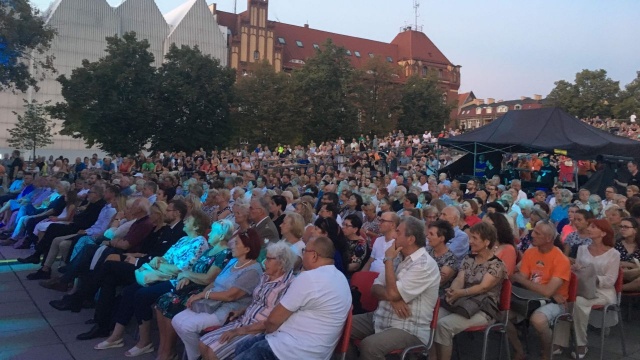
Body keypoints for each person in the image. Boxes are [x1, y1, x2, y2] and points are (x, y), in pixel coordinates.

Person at [93, 210, 212, 356]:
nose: (185, 221)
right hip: (159, 274)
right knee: (130, 290)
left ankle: (144, 341)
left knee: (141, 295)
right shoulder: (184, 239)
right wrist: (159, 262)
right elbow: (165, 257)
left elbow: (182, 268)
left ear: (196, 226)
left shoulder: (200, 243)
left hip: (176, 280)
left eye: (189, 220)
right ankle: (116, 336)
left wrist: (161, 264)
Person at [232, 236, 351, 360]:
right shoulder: (341, 278)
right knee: (242, 346)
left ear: (314, 256)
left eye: (305, 250)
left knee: (248, 348)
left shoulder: (310, 278)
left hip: (289, 351)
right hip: (314, 350)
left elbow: (273, 321)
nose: (302, 254)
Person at [348, 216, 440, 359]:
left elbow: (392, 293)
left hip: (408, 327)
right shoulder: (398, 256)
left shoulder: (424, 265)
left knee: (369, 346)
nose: (394, 235)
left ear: (411, 239)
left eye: (398, 232)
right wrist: (394, 298)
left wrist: (388, 260)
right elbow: (375, 288)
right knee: (340, 326)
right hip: (380, 317)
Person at [172, 229, 263, 360]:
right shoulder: (233, 262)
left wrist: (203, 295)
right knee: (176, 320)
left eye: (236, 243)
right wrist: (199, 296)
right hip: (210, 303)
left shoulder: (253, 271)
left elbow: (230, 296)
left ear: (247, 249)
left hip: (227, 311)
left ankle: (195, 357)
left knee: (187, 326)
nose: (232, 245)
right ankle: (196, 355)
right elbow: (215, 282)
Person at [198, 241, 296, 360]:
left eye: (269, 259)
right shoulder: (265, 276)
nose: (265, 262)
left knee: (213, 353)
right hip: (243, 320)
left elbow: (272, 321)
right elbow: (258, 302)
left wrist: (237, 331)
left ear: (281, 263)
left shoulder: (288, 286)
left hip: (257, 330)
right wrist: (241, 311)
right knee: (202, 344)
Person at [153, 220, 235, 359]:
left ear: (221, 236)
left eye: (213, 231)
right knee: (161, 302)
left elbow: (208, 279)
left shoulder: (225, 253)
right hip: (192, 284)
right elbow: (193, 270)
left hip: (203, 290)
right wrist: (187, 277)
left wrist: (187, 275)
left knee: (170, 304)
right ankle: (165, 347)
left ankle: (167, 351)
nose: (209, 233)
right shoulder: (209, 250)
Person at [432, 222, 507, 360]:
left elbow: (483, 287)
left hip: (483, 309)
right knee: (431, 318)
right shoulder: (469, 258)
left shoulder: (497, 265)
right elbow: (460, 278)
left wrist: (459, 293)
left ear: (486, 242)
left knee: (444, 326)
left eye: (474, 238)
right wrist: (453, 291)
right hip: (463, 302)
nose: (470, 241)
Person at [555, 219, 619, 358]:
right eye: (589, 226)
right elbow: (578, 271)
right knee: (566, 300)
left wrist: (591, 276)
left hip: (603, 292)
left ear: (603, 233)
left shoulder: (614, 254)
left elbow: (610, 280)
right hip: (582, 288)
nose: (589, 229)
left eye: (593, 227)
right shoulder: (582, 249)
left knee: (578, 302)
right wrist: (576, 270)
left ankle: (581, 344)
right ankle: (560, 341)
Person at [507, 220, 571, 360]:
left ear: (548, 238)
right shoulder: (530, 252)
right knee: (502, 315)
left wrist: (522, 280)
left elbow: (547, 292)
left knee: (538, 320)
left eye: (537, 233)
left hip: (555, 302)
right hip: (530, 297)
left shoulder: (561, 259)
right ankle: (519, 350)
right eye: (533, 231)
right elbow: (521, 278)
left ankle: (547, 353)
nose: (532, 234)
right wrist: (523, 280)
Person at [426, 219, 457, 292]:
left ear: (441, 238)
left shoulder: (450, 260)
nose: (428, 236)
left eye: (431, 234)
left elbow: (438, 282)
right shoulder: (427, 251)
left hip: (436, 294)